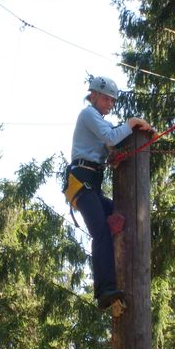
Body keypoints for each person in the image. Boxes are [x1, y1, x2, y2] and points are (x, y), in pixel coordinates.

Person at [64, 76, 154, 309]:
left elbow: (110, 143)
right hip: (81, 183)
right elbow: (112, 136)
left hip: (90, 184)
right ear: (93, 95)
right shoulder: (88, 114)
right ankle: (104, 289)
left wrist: (115, 154)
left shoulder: (99, 121)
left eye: (113, 101)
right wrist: (133, 122)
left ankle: (121, 272)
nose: (110, 104)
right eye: (106, 98)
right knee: (101, 232)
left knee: (120, 213)